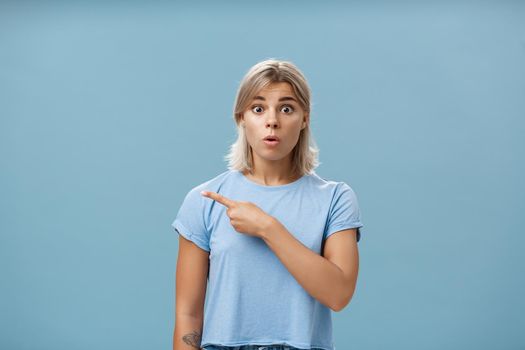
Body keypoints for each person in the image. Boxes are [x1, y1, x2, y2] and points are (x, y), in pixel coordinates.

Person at [172, 59, 364, 350]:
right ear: (241, 118)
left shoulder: (335, 198)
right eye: (258, 108)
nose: (272, 120)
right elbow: (187, 315)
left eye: (286, 108)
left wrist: (267, 227)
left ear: (304, 118)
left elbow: (338, 294)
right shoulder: (205, 200)